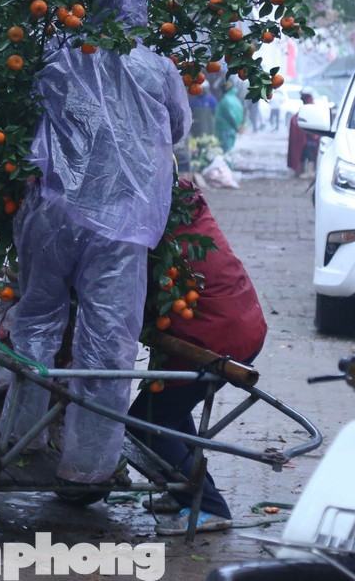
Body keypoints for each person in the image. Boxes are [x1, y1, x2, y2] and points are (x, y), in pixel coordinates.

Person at [5, 0, 190, 486]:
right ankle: (85, 466)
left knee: (37, 318)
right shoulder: (158, 70)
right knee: (107, 345)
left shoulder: (58, 57)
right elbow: (174, 128)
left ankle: (20, 438)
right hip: (120, 222)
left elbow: (29, 111)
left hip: (53, 209)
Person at [129, 179, 266, 535]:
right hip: (232, 327)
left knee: (145, 420)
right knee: (166, 414)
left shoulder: (160, 227)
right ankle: (180, 489)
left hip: (216, 339)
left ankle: (209, 507)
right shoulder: (184, 209)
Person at [285, 91, 317, 177]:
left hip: (310, 138)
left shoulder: (308, 109)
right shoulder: (305, 110)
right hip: (307, 138)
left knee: (309, 153)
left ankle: (309, 172)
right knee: (305, 154)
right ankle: (302, 171)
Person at [215, 79, 244, 153]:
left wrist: (235, 126)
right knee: (229, 149)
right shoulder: (236, 99)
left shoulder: (225, 100)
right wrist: (238, 126)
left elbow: (230, 115)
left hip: (224, 129)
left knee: (225, 151)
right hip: (232, 129)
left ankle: (228, 164)